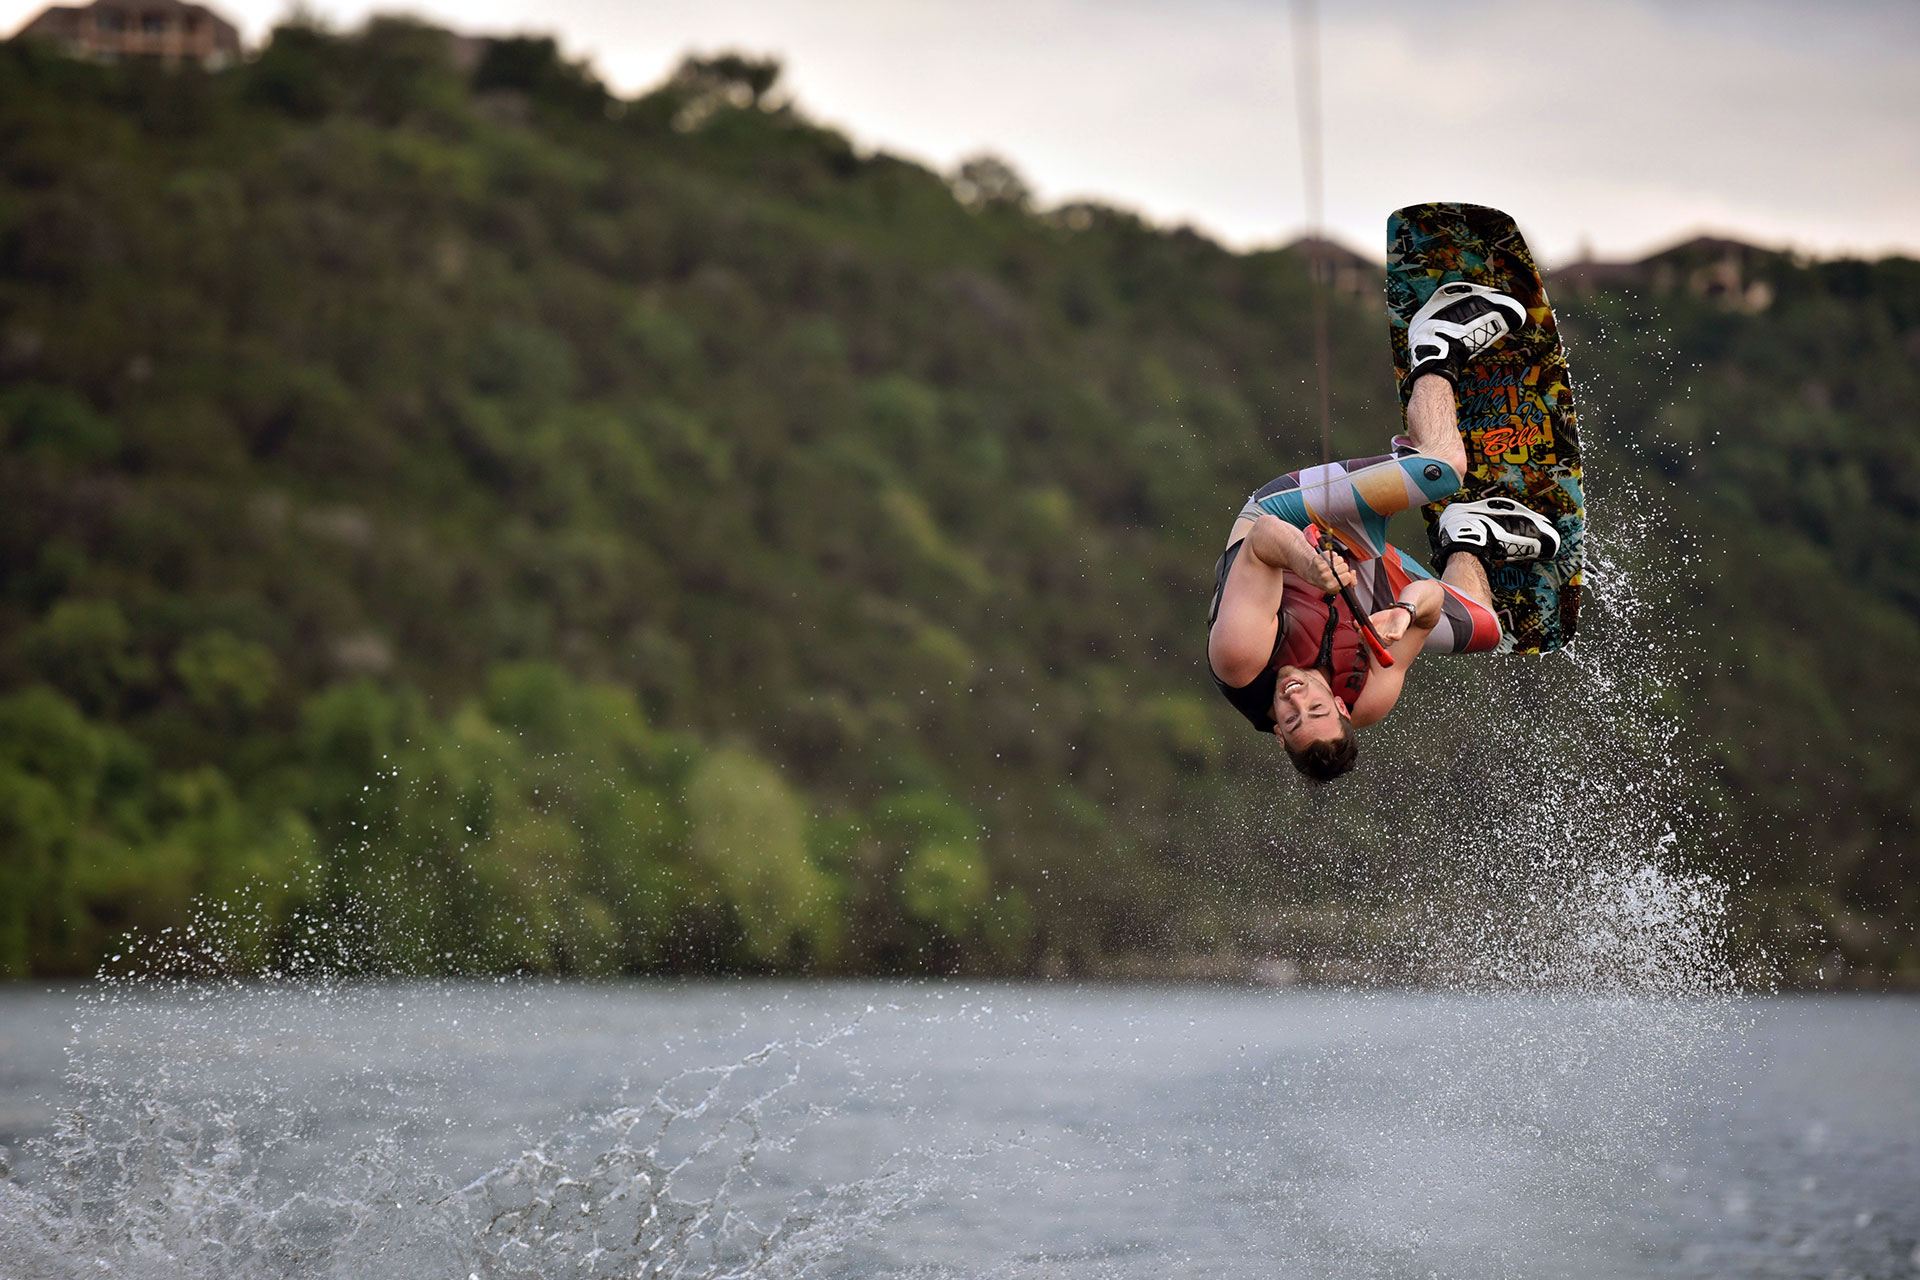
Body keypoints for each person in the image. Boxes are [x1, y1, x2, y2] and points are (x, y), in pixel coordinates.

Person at [1205, 282, 1562, 782]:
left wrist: (1311, 564)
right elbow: (1431, 600)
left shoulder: (1241, 658)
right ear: (1342, 710)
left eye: (1292, 718)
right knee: (1490, 630)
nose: (1296, 701)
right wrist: (1405, 612)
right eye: (1315, 710)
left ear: (1279, 733)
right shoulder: (1369, 698)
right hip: (1359, 577)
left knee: (1443, 468)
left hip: (1291, 521)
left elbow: (1263, 540)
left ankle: (1436, 346)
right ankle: (1468, 534)